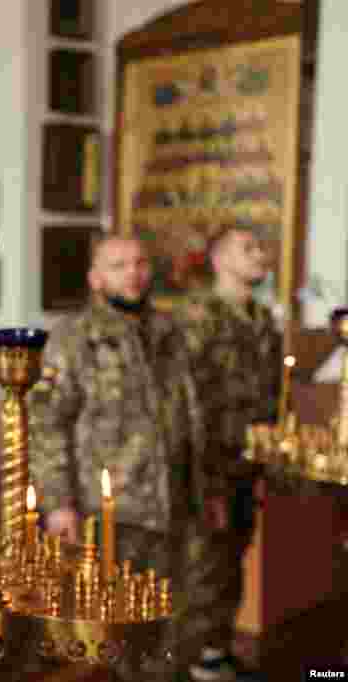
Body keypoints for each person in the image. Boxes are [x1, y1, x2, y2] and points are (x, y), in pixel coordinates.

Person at [28, 234, 204, 581]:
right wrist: (58, 503)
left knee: (166, 621)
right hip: (107, 512)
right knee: (107, 622)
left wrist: (204, 488)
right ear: (96, 278)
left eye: (140, 263)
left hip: (171, 508)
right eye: (119, 266)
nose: (132, 274)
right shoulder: (73, 337)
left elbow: (192, 413)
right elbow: (46, 424)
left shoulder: (170, 332)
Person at [173, 226, 280, 682]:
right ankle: (191, 659)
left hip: (247, 460)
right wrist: (203, 475)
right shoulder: (199, 315)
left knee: (232, 559)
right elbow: (188, 400)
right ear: (219, 260)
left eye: (260, 248)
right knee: (204, 565)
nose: (260, 256)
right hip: (207, 463)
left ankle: (215, 651)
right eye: (248, 249)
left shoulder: (262, 318)